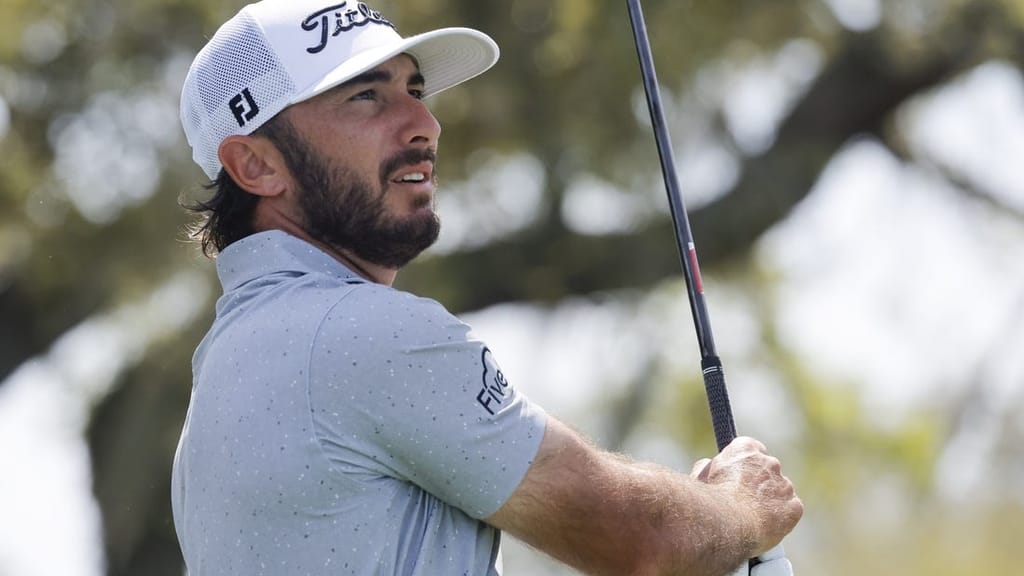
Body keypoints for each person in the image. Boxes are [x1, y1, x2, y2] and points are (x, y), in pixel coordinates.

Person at [171, 1, 803, 575]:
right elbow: (642, 541)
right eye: (365, 96)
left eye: (415, 90)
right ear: (256, 165)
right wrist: (742, 508)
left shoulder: (228, 360)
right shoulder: (359, 331)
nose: (424, 123)